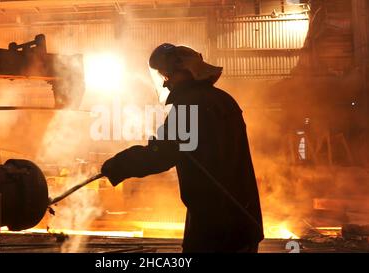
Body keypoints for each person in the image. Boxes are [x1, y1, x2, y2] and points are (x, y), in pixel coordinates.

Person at [101, 43, 264, 252]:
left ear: (185, 71)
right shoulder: (223, 99)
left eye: (167, 76)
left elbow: (162, 154)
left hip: (214, 225)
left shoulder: (190, 105)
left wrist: (119, 164)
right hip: (244, 219)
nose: (166, 85)